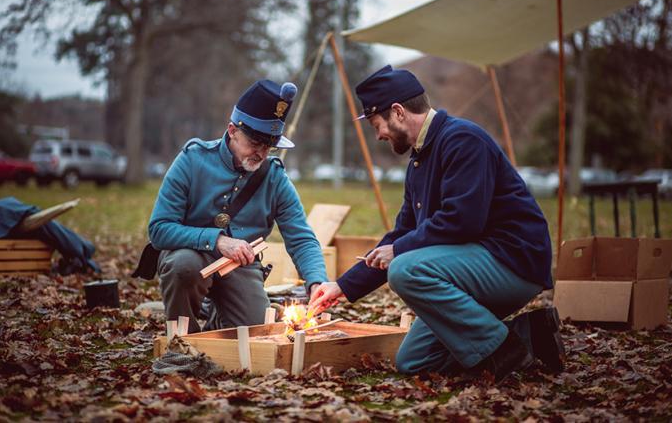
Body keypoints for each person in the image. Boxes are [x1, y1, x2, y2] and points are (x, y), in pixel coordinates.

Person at [309, 65, 564, 382]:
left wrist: (398, 251)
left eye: (378, 125)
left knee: (405, 269)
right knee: (414, 361)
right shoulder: (419, 159)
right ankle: (529, 336)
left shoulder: (463, 140)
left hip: (512, 262)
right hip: (473, 268)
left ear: (398, 112)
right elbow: (402, 232)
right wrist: (343, 286)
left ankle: (502, 352)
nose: (378, 135)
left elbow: (463, 221)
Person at [148, 79, 328, 333]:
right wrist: (218, 240)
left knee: (256, 333)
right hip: (191, 254)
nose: (262, 153)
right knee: (183, 267)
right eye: (255, 143)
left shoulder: (274, 176)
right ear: (232, 130)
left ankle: (218, 315)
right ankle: (182, 341)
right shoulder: (192, 159)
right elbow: (159, 229)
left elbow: (301, 238)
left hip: (241, 265)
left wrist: (316, 281)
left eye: (269, 146)